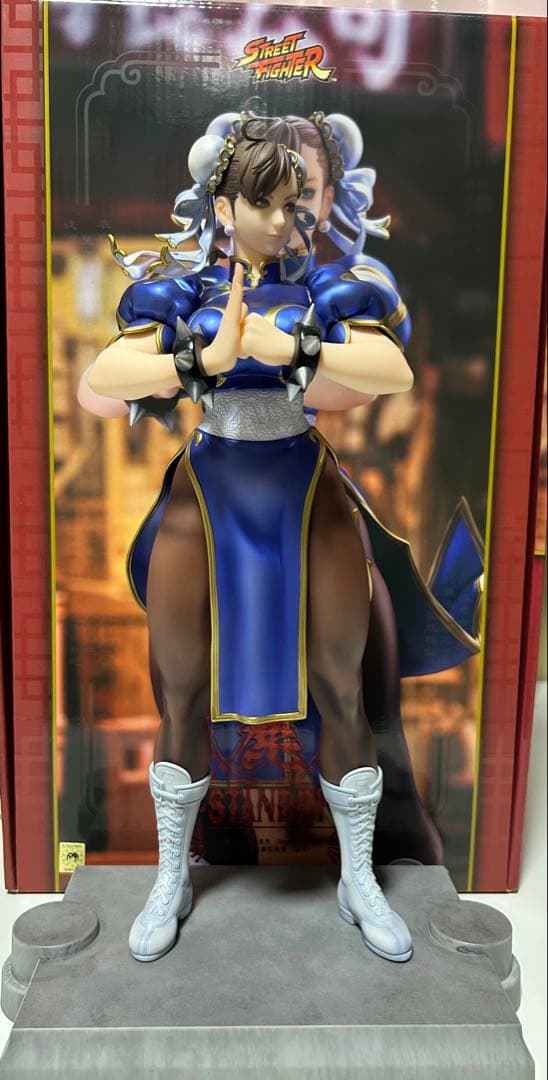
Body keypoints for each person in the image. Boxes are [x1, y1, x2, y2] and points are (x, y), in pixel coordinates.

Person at [83, 122, 415, 965]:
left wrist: (295, 347)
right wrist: (199, 359)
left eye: (290, 202)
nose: (278, 219)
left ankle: (358, 878)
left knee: (341, 688)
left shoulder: (328, 286)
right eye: (260, 203)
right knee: (181, 690)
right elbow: (103, 379)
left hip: (304, 488)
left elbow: (392, 371)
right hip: (209, 487)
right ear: (224, 208)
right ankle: (171, 876)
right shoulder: (180, 289)